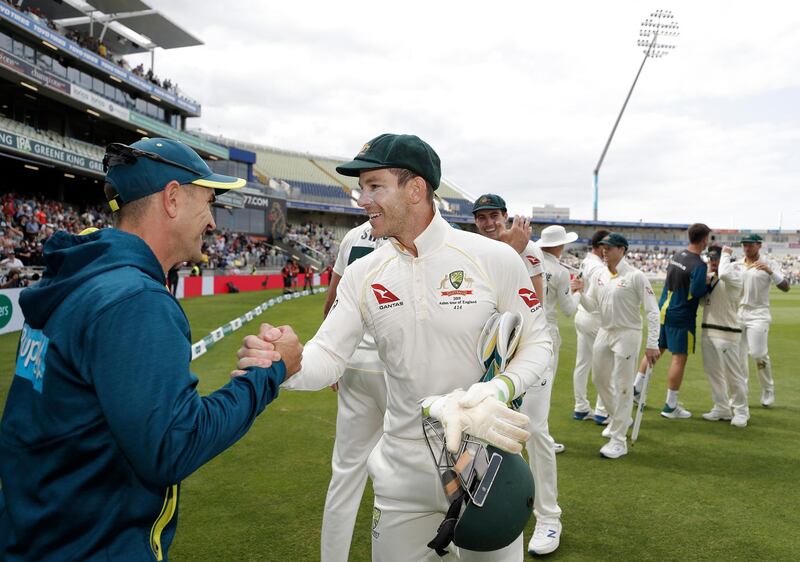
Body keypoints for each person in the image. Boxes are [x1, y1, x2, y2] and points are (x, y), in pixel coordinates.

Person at [238, 134, 552, 560]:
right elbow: (328, 357)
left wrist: (496, 391)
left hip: (484, 463)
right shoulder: (364, 272)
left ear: (416, 189)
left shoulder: (491, 258)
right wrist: (286, 364)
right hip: (401, 469)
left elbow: (538, 342)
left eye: (374, 186)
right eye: (361, 188)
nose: (362, 199)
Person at [0, 138, 303, 562]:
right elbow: (172, 447)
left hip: (36, 534)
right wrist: (269, 373)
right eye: (208, 203)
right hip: (90, 545)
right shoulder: (135, 301)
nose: (212, 222)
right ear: (173, 199)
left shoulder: (82, 278)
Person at [472, 196, 562, 555]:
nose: (488, 222)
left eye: (494, 216)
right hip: (489, 353)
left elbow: (531, 308)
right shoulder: (474, 248)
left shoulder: (531, 250)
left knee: (535, 430)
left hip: (530, 351)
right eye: (481, 217)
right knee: (482, 427)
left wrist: (514, 251)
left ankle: (549, 516)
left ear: (505, 217)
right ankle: (485, 504)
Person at [319, 220, 388, 562]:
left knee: (346, 475)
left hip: (354, 361)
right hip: (396, 367)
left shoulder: (352, 236)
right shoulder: (414, 226)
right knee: (418, 468)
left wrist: (333, 354)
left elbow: (332, 300)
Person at [579, 233, 660, 459]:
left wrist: (653, 343)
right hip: (605, 331)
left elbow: (652, 311)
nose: (605, 251)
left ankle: (618, 440)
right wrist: (578, 292)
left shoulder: (636, 276)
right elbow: (591, 305)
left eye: (610, 248)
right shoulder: (600, 275)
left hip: (628, 333)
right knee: (599, 379)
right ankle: (619, 420)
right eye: (603, 248)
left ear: (622, 250)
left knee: (622, 384)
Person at [633, 223, 711, 419]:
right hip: (681, 316)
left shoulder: (677, 256)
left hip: (663, 311)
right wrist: (708, 283)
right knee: (679, 357)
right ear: (704, 239)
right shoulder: (699, 265)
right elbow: (697, 292)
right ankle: (670, 405)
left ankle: (636, 388)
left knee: (656, 350)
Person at [738, 233, 790, 407]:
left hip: (759, 314)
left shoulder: (770, 262)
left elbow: (785, 287)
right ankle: (741, 391)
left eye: (750, 245)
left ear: (759, 245)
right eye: (744, 245)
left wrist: (770, 271)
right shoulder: (738, 264)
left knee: (758, 354)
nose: (747, 248)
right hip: (738, 313)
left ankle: (768, 389)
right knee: (739, 356)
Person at [700, 245, 748, 427]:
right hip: (708, 330)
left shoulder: (734, 275)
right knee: (713, 373)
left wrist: (726, 254)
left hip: (729, 332)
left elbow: (725, 274)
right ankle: (721, 407)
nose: (713, 262)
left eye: (716, 259)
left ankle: (741, 411)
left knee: (734, 375)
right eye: (711, 259)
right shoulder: (711, 278)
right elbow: (703, 302)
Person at [571, 229, 611, 423]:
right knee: (605, 366)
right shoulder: (599, 268)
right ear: (602, 247)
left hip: (582, 315)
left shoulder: (587, 261)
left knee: (583, 364)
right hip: (594, 318)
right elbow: (599, 298)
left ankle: (580, 408)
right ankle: (602, 412)